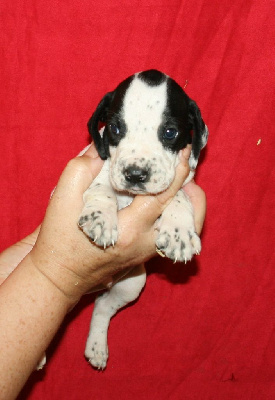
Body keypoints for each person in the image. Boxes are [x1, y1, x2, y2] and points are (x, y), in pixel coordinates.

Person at [0, 143, 206, 400]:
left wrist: (177, 216)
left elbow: (186, 191)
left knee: (132, 285)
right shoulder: (103, 152)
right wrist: (55, 279)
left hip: (104, 263)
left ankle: (101, 316)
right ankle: (35, 322)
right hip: (74, 238)